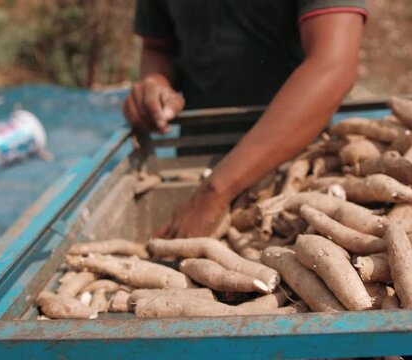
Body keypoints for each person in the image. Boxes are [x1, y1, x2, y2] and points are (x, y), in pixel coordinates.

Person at [123, 0, 367, 238]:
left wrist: (216, 190)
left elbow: (334, 66)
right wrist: (155, 83)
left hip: (297, 169)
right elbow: (159, 47)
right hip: (195, 166)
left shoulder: (214, 191)